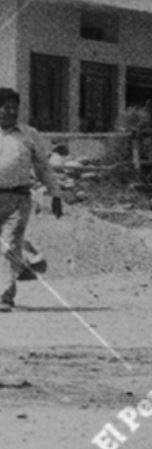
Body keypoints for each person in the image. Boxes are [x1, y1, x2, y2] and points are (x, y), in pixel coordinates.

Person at [0, 88, 64, 311]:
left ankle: (4, 297)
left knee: (10, 244)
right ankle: (30, 262)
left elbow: (43, 167)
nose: (11, 112)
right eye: (6, 107)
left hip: (18, 198)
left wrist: (55, 194)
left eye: (14, 108)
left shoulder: (29, 135)